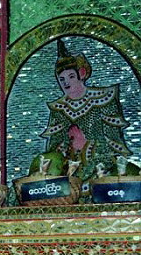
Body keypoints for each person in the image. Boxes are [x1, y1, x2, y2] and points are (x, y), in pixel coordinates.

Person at [41, 39, 131, 180]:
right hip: (69, 181)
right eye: (61, 79)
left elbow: (114, 146)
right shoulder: (58, 109)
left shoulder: (104, 100)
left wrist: (85, 145)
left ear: (81, 73)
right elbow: (53, 154)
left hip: (102, 178)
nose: (66, 83)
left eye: (71, 76)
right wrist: (70, 149)